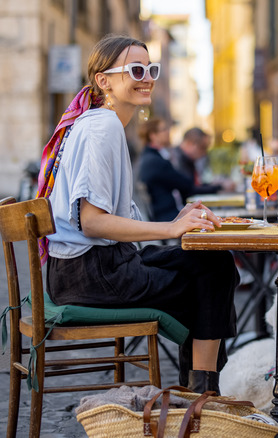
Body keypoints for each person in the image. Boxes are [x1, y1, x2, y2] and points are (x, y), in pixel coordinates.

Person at [35, 34, 238, 395]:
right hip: (91, 273)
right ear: (104, 80)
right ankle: (203, 395)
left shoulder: (101, 123)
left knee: (211, 261)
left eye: (151, 69)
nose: (148, 78)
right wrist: (173, 228)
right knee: (213, 272)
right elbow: (92, 221)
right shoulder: (103, 127)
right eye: (137, 70)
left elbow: (106, 219)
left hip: (89, 267)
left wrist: (179, 218)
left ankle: (199, 391)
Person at [136, 118, 197, 221]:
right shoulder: (155, 161)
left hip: (167, 214)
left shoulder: (150, 157)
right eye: (164, 129)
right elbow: (185, 184)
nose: (168, 132)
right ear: (153, 135)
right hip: (167, 217)